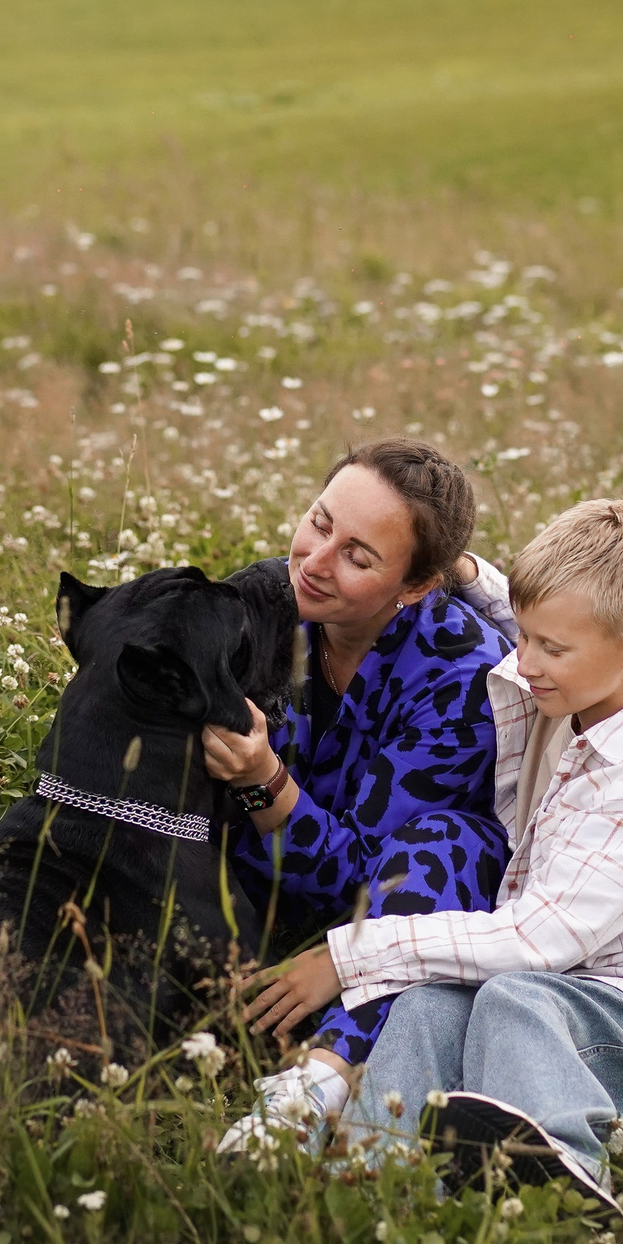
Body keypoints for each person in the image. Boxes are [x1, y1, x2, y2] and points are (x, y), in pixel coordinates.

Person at [242, 498, 623, 1205]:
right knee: (429, 1001)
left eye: (550, 648)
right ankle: (369, 1171)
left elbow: (539, 940)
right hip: (571, 993)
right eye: (524, 636)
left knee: (512, 1000)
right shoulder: (575, 680)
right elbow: (508, 603)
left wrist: (346, 957)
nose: (523, 663)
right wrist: (453, 567)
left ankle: (562, 1173)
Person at [203, 439, 517, 1140]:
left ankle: (317, 1086)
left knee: (455, 842)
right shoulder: (261, 607)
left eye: (359, 556)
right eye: (319, 523)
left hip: (396, 904)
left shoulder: (462, 674)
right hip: (257, 874)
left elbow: (360, 877)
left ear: (414, 586)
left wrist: (262, 781)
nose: (315, 563)